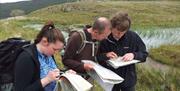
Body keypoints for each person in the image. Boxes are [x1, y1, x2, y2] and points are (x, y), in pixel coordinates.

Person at [97, 12, 148, 91]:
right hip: (111, 80)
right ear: (112, 27)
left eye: (123, 33)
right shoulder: (104, 38)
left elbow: (144, 54)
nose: (119, 35)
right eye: (117, 32)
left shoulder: (133, 36)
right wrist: (105, 55)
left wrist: (133, 55)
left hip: (128, 81)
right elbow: (97, 58)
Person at [15, 21, 65, 91]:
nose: (56, 53)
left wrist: (65, 74)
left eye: (58, 50)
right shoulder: (26, 58)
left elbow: (52, 72)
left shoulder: (48, 54)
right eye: (54, 49)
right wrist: (46, 80)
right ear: (44, 42)